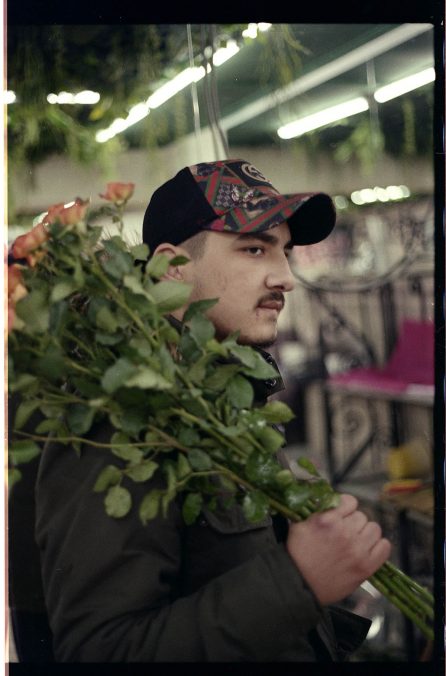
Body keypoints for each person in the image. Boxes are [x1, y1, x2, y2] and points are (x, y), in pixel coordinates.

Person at [22, 159, 391, 662]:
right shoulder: (120, 418)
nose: (286, 277)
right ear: (173, 266)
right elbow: (98, 651)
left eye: (284, 251)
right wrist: (297, 582)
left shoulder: (218, 397)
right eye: (255, 248)